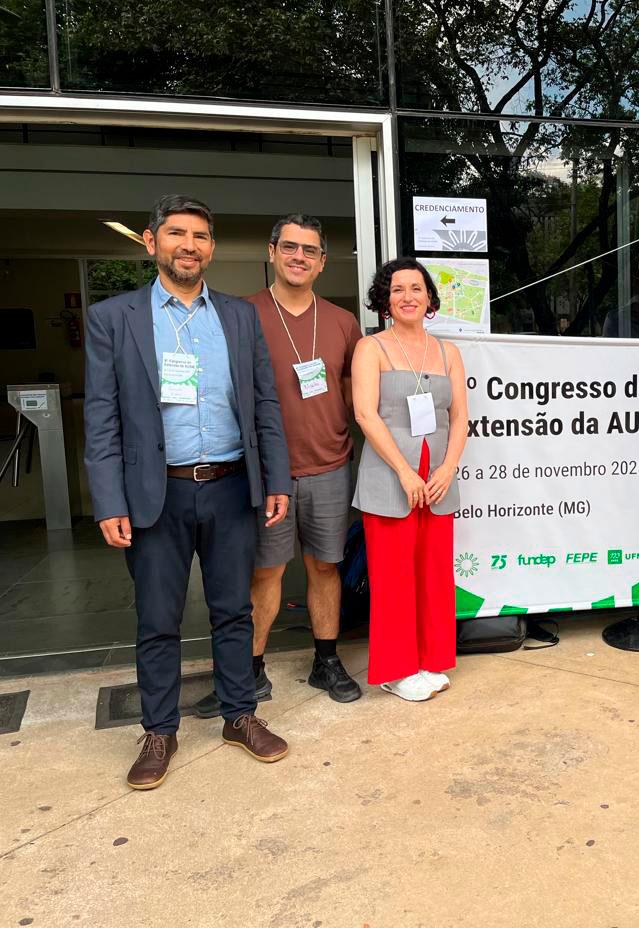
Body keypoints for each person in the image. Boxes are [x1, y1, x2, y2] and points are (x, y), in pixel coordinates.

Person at [84, 194, 292, 790]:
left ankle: (239, 715)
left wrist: (276, 478)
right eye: (176, 233)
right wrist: (109, 501)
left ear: (211, 248)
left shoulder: (238, 316)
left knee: (234, 611)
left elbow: (264, 402)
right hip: (157, 494)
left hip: (230, 487)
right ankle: (159, 731)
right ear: (151, 242)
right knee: (157, 619)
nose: (189, 246)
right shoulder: (114, 318)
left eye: (200, 236)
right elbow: (101, 418)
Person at [188, 215, 364, 715]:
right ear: (271, 252)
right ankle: (249, 673)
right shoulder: (240, 315)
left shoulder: (342, 322)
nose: (298, 257)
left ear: (322, 261)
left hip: (330, 465)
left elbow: (355, 396)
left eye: (309, 250)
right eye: (289, 247)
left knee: (325, 567)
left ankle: (326, 660)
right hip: (266, 473)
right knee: (264, 573)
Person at [351, 258, 468, 701]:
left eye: (416, 288)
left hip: (437, 477)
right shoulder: (372, 348)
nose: (407, 297)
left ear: (429, 297)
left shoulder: (447, 352)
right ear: (384, 299)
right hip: (390, 475)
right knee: (393, 578)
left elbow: (460, 418)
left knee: (434, 574)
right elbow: (365, 414)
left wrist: (448, 468)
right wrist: (404, 470)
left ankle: (431, 658)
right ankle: (395, 670)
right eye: (397, 289)